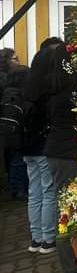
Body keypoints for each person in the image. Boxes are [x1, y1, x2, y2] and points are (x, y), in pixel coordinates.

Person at [41, 42, 77, 273]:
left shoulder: (51, 86)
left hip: (56, 152)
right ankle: (70, 264)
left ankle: (71, 260)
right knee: (67, 208)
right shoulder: (71, 91)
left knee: (63, 203)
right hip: (68, 155)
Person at [23, 41, 62, 255]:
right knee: (48, 192)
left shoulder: (28, 86)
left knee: (34, 192)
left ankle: (36, 238)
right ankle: (49, 239)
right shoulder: (50, 89)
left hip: (28, 147)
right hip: (44, 147)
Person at [1, 47, 29, 200]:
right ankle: (18, 188)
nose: (18, 61)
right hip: (13, 129)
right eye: (15, 58)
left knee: (13, 159)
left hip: (8, 129)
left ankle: (15, 187)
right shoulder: (10, 86)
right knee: (17, 160)